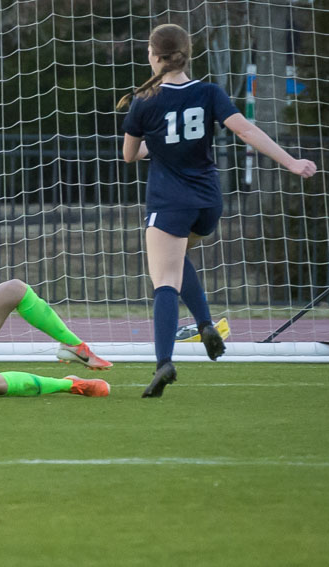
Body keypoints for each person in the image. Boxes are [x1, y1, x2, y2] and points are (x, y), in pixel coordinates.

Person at [119, 23, 318, 398]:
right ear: (185, 54)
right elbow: (246, 131)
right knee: (176, 260)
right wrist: (291, 162)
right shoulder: (209, 91)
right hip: (209, 202)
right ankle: (206, 324)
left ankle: (164, 361)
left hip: (170, 202)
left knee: (164, 280)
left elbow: (130, 155)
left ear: (154, 55)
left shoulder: (144, 100)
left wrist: (155, 147)